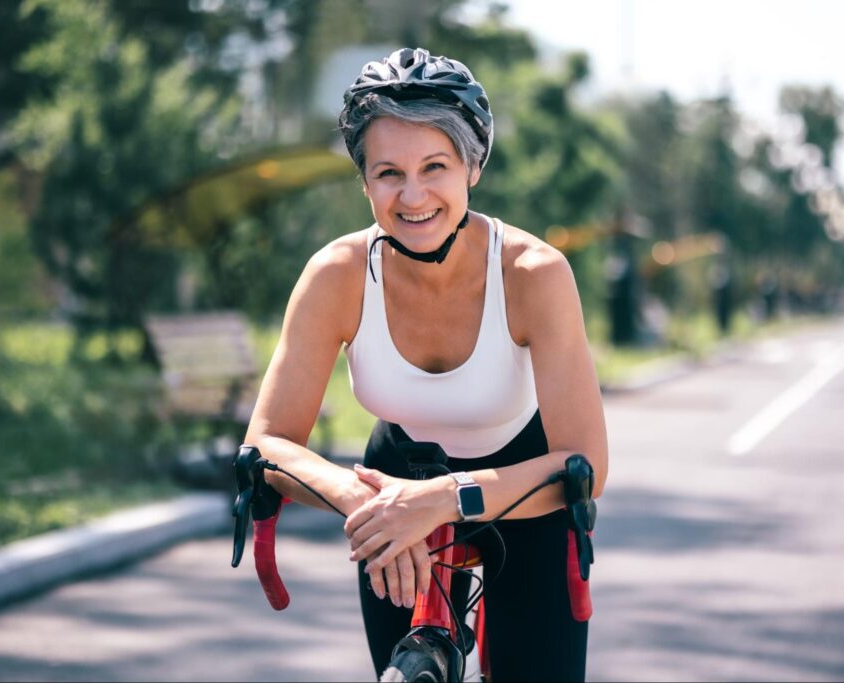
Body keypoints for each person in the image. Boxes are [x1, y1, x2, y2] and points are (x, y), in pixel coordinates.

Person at [244, 47, 608, 682]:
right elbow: (267, 441)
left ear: (472, 166)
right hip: (390, 486)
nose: (412, 196)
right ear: (364, 181)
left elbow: (588, 465)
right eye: (388, 173)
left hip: (523, 493)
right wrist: (374, 504)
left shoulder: (533, 273)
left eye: (434, 166)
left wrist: (442, 500)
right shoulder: (336, 275)